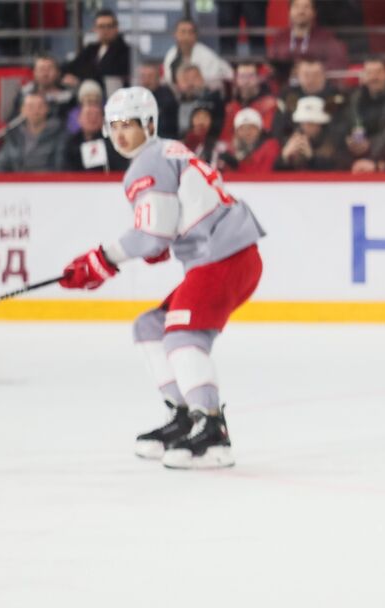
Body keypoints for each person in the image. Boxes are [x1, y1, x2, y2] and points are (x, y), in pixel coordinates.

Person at [57, 87, 265, 468]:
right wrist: (154, 244)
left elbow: (153, 235)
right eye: (114, 126)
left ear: (150, 125)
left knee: (183, 335)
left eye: (129, 124)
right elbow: (165, 229)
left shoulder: (148, 163)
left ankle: (212, 431)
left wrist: (99, 260)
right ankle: (185, 416)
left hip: (223, 257)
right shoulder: (168, 152)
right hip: (227, 255)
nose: (120, 134)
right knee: (150, 327)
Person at [275, 57, 348, 142]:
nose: (311, 79)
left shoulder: (336, 95)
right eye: (306, 75)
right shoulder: (287, 94)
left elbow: (342, 126)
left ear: (324, 75)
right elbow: (279, 125)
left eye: (316, 75)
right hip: (295, 141)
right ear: (297, 75)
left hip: (327, 142)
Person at [267, 0, 348, 74]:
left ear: (314, 12)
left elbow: (338, 63)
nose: (301, 11)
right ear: (289, 11)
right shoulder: (280, 38)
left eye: (306, 7)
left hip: (316, 84)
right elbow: (271, 66)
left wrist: (314, 70)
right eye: (296, 7)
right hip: (285, 83)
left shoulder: (326, 38)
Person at [0, 93, 66, 172]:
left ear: (47, 109)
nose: (36, 111)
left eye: (40, 106)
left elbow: (61, 165)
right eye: (31, 107)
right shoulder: (13, 135)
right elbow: (1, 164)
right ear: (22, 110)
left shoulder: (60, 134)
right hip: (18, 179)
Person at [64, 9, 132, 92]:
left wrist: (80, 80)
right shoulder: (91, 49)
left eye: (109, 26)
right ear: (95, 29)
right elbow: (72, 66)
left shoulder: (127, 51)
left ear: (116, 28)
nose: (105, 30)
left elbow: (106, 72)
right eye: (101, 26)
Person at [162, 18, 234, 93]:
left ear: (195, 36)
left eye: (190, 32)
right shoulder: (171, 54)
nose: (186, 36)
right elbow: (169, 80)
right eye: (183, 32)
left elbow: (209, 83)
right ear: (175, 34)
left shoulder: (206, 55)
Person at [276, 96, 348, 170]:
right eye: (303, 122)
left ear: (320, 124)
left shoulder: (333, 142)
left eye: (310, 123)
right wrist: (284, 157)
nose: (305, 127)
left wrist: (311, 157)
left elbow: (336, 169)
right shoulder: (292, 138)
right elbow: (277, 172)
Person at [64, 101, 128, 173]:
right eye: (89, 115)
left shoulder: (113, 141)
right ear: (79, 118)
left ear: (103, 119)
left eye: (97, 115)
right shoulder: (70, 143)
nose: (93, 118)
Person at [215, 107, 280, 173]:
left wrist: (238, 166)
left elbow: (262, 174)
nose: (247, 133)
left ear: (259, 130)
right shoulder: (231, 151)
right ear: (236, 133)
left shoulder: (270, 146)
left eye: (252, 128)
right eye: (242, 129)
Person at [10, 55, 72, 123]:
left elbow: (75, 123)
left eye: (49, 69)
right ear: (34, 72)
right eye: (41, 69)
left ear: (58, 72)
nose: (45, 74)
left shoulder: (70, 96)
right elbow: (13, 121)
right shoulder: (24, 94)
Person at [137, 60, 179, 139]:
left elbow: (165, 126)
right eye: (143, 76)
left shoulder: (167, 96)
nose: (146, 80)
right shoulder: (137, 95)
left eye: (150, 76)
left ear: (158, 78)